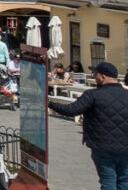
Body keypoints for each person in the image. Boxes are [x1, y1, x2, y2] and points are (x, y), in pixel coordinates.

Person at [50, 62, 128, 190]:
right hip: (125, 147)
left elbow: (71, 110)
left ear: (103, 77)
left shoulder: (93, 95)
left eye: (95, 74)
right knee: (125, 181)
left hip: (102, 146)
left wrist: (50, 104)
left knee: (108, 181)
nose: (93, 77)